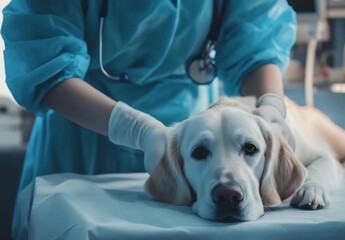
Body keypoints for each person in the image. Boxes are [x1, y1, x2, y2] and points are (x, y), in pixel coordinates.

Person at [2, 0, 296, 195]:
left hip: (190, 126)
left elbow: (256, 39)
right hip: (83, 128)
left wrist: (271, 106)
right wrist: (132, 128)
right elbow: (43, 60)